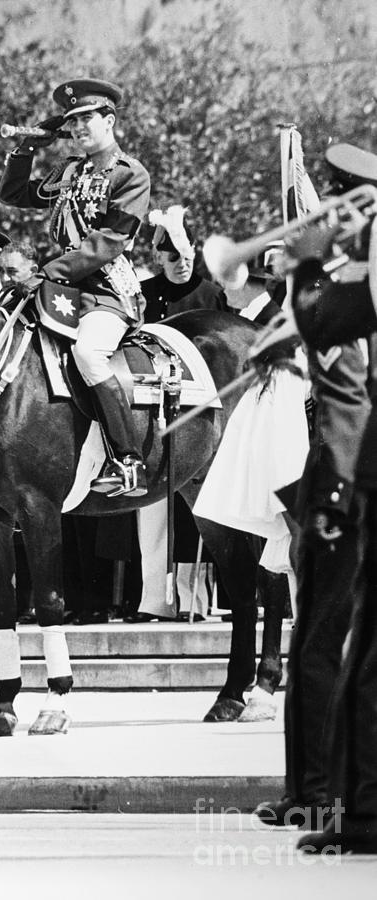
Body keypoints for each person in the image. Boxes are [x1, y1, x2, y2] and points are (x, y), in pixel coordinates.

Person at [273, 141, 377, 854]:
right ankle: (327, 798)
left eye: (342, 195)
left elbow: (342, 385)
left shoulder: (358, 278)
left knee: (335, 647)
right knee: (334, 643)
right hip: (338, 475)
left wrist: (306, 264)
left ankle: (336, 803)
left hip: (344, 478)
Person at [0, 77, 151, 497]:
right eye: (72, 121)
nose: (80, 128)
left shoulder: (129, 173)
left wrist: (49, 271)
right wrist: (29, 144)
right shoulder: (68, 170)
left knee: (88, 353)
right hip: (62, 288)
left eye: (87, 119)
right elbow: (13, 194)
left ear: (109, 119)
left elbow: (109, 242)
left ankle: (128, 457)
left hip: (104, 291)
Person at [141, 206, 229, 322]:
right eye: (174, 257)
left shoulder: (214, 296)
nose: (182, 264)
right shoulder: (143, 293)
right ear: (159, 258)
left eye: (187, 257)